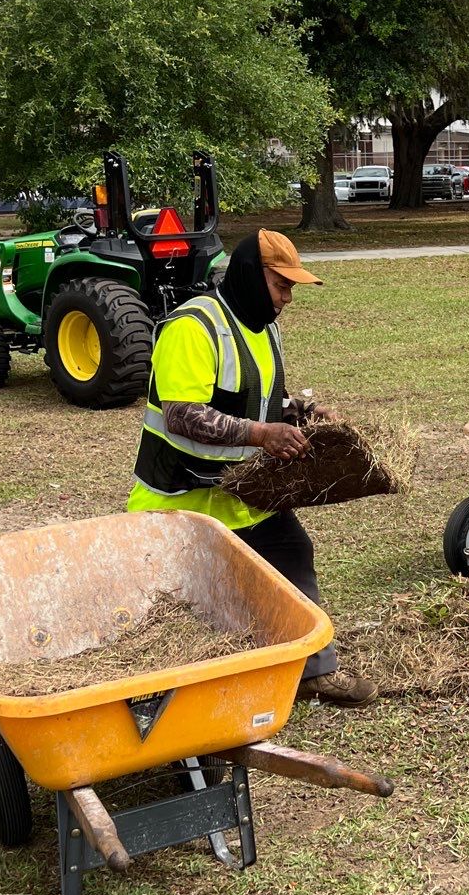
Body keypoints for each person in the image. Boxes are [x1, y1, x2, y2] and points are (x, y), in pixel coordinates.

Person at [128, 228, 377, 706]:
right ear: (249, 274)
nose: (287, 298)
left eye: (291, 289)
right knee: (179, 604)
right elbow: (182, 413)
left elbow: (260, 397)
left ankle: (313, 672)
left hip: (241, 491)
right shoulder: (192, 327)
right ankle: (169, 691)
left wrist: (304, 414)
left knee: (292, 551)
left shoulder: (264, 329)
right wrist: (263, 435)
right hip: (178, 497)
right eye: (281, 285)